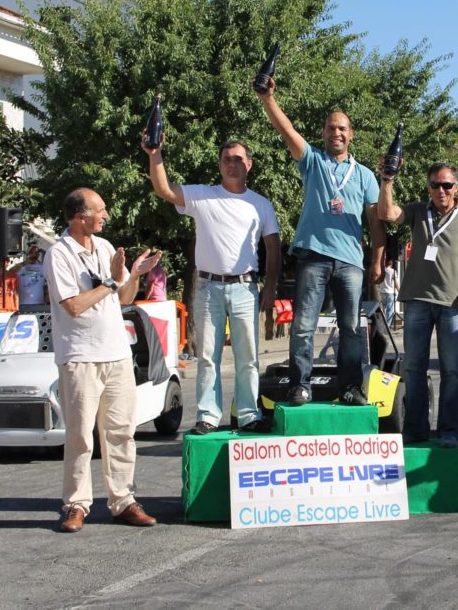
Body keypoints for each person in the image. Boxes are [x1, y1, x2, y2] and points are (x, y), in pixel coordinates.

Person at [256, 79, 384, 408]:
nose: (335, 133)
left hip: (351, 262)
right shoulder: (312, 161)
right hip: (313, 256)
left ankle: (351, 387)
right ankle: (300, 385)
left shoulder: (365, 175)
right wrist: (268, 99)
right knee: (303, 325)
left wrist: (378, 259)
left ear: (351, 134)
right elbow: (287, 132)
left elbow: (375, 221)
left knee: (351, 328)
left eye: (341, 128)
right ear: (324, 133)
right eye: (330, 128)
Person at [143, 134, 281, 434]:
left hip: (246, 288)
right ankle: (207, 415)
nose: (233, 164)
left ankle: (248, 415)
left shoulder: (261, 204)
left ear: (250, 165)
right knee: (207, 357)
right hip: (208, 288)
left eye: (238, 159)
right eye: (227, 159)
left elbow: (273, 247)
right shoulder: (203, 195)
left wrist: (270, 288)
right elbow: (163, 189)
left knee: (248, 357)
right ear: (219, 165)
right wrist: (155, 154)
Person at [42, 188, 162, 533]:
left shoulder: (107, 247)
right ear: (81, 217)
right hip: (80, 357)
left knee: (122, 432)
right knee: (80, 435)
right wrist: (111, 280)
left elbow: (122, 298)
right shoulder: (59, 253)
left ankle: (123, 501)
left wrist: (134, 274)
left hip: (117, 354)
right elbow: (73, 306)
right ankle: (76, 505)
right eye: (101, 210)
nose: (105, 215)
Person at [378, 162, 458, 447]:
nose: (441, 190)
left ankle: (449, 432)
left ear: (457, 187)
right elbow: (386, 213)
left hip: (454, 304)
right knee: (413, 368)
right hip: (417, 300)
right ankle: (416, 431)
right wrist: (387, 180)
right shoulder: (417, 211)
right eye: (435, 185)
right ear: (428, 187)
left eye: (447, 185)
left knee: (451, 370)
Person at [377, 258, 400, 327]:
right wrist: (399, 291)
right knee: (390, 310)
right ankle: (387, 325)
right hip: (390, 292)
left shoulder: (382, 271)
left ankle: (382, 325)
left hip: (382, 291)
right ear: (391, 264)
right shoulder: (393, 271)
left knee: (383, 309)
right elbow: (396, 284)